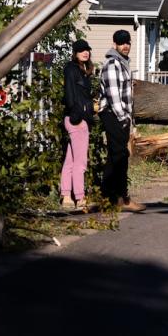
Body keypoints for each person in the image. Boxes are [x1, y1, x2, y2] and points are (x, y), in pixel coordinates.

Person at [98, 29, 145, 212]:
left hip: (121, 116)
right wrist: (123, 117)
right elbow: (113, 95)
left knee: (114, 157)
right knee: (121, 156)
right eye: (121, 42)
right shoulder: (112, 65)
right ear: (115, 44)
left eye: (127, 42)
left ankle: (108, 196)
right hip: (113, 114)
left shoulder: (123, 63)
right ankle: (122, 198)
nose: (125, 46)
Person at [60, 40, 94, 211]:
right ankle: (80, 197)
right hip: (77, 120)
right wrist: (78, 116)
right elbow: (69, 95)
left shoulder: (83, 71)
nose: (85, 52)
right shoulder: (72, 69)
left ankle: (66, 195)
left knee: (70, 160)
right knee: (80, 163)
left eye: (87, 50)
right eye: (81, 50)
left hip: (76, 118)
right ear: (75, 53)